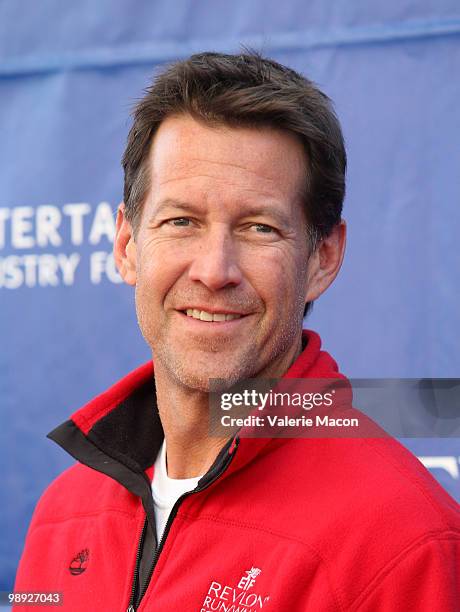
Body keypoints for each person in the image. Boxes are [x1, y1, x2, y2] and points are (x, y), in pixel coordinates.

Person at [14, 52, 459, 611]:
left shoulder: (402, 541)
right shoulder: (63, 513)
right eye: (181, 221)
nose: (214, 270)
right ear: (128, 245)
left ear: (323, 257)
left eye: (258, 227)